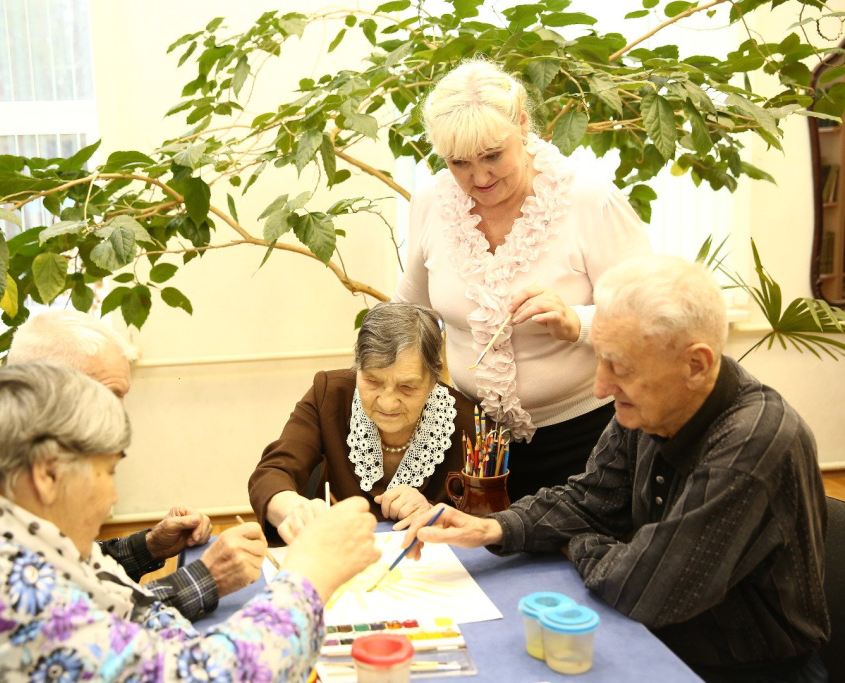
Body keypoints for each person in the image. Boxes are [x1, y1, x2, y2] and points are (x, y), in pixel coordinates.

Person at [400, 255, 830, 683]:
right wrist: (494, 528)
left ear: (695, 365)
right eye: (601, 360)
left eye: (620, 367)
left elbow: (643, 588)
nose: (602, 387)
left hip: (747, 669)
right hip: (661, 640)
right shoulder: (654, 405)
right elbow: (589, 499)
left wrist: (579, 544)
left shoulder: (753, 443)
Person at [0, 363, 380, 679]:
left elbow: (124, 608)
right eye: (108, 472)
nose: (112, 501)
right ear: (46, 475)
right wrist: (309, 573)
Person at [0, 309, 261, 621]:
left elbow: (65, 568)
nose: (119, 415)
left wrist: (149, 546)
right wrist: (207, 577)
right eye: (108, 395)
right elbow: (86, 622)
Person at [395, 59, 653, 500]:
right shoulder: (431, 202)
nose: (479, 178)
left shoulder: (588, 201)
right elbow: (411, 311)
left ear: (523, 124)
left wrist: (579, 322)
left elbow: (651, 316)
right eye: (459, 163)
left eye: (493, 156)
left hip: (592, 438)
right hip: (477, 442)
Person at [249, 301, 477, 543]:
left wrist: (435, 514)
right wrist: (290, 505)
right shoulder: (329, 394)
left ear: (434, 376)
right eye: (373, 382)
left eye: (407, 387)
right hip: (337, 559)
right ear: (357, 365)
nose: (387, 403)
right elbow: (271, 473)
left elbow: (486, 522)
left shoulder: (468, 424)